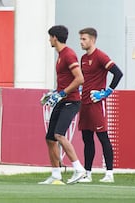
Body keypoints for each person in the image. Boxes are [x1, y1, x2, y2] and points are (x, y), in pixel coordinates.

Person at [39, 25, 86, 185]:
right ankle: (56, 174)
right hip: (62, 99)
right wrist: (54, 93)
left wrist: (62, 93)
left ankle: (79, 169)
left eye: (50, 37)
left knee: (59, 135)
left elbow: (80, 79)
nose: (49, 40)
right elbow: (66, 80)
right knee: (50, 139)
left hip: (71, 101)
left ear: (55, 38)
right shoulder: (61, 55)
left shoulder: (68, 54)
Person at [77, 27, 123, 183]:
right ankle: (87, 173)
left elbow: (118, 73)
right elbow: (83, 78)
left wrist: (106, 92)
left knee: (103, 137)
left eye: (84, 39)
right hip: (84, 103)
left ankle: (109, 173)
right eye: (80, 39)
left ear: (93, 40)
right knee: (86, 138)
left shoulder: (101, 56)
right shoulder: (83, 58)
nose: (81, 42)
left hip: (97, 103)